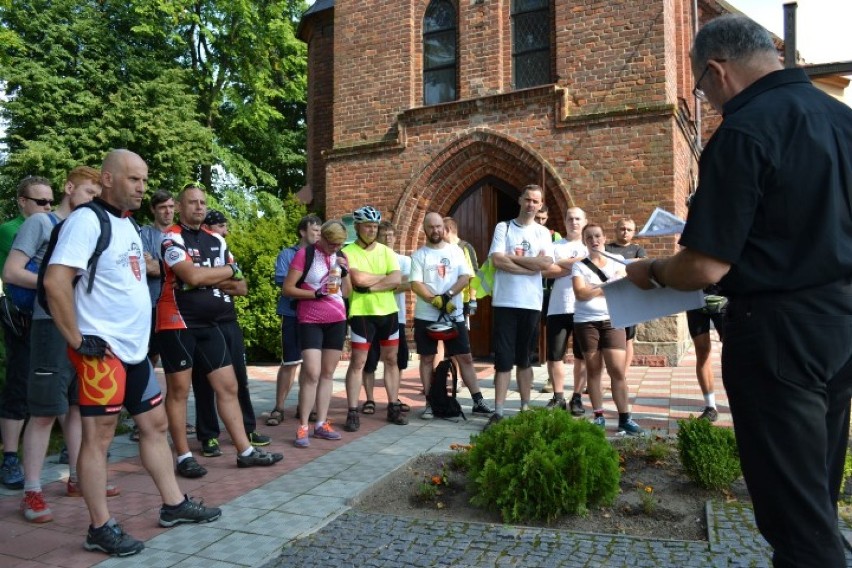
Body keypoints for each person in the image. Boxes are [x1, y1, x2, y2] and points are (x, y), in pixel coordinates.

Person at [625, 14, 852, 566]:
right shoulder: (842, 119)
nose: (704, 99)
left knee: (793, 512)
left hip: (779, 333)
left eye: (700, 87)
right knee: (817, 485)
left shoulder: (746, 131)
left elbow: (704, 267)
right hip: (842, 323)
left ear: (717, 70)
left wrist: (652, 271)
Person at [44, 149, 221, 557]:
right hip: (99, 353)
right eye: (133, 179)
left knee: (155, 426)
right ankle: (99, 526)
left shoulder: (128, 226)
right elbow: (56, 282)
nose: (141, 186)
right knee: (98, 437)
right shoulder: (86, 221)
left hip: (134, 351)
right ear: (108, 179)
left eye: (144, 179)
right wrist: (76, 339)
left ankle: (174, 505)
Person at [3, 167, 109, 523]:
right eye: (89, 194)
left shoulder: (91, 227)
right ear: (69, 189)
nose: (95, 202)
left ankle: (78, 478)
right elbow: (12, 272)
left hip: (86, 326)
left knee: (80, 407)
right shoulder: (42, 223)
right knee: (46, 410)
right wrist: (55, 283)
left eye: (98, 196)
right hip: (50, 324)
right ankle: (32, 490)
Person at [156, 185, 282, 478]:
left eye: (203, 202)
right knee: (178, 392)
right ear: (180, 206)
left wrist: (204, 279)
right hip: (177, 323)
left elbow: (242, 286)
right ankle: (183, 455)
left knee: (229, 387)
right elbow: (192, 275)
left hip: (210, 325)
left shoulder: (216, 240)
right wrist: (221, 273)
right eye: (192, 202)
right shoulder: (170, 238)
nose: (199, 207)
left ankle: (245, 451)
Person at [190, 209, 270, 458]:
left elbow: (242, 287)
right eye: (221, 226)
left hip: (228, 321)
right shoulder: (194, 250)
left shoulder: (226, 251)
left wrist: (209, 280)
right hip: (202, 323)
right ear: (208, 227)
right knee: (203, 380)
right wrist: (220, 278)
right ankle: (208, 436)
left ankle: (247, 429)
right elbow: (192, 279)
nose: (226, 231)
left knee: (239, 376)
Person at [410, 213, 493, 419]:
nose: (435, 230)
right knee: (427, 358)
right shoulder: (419, 255)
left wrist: (448, 296)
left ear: (443, 228)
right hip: (426, 315)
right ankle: (430, 403)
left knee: (464, 357)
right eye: (431, 227)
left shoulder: (455, 251)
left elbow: (465, 277)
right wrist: (434, 300)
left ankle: (478, 401)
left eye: (439, 226)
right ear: (425, 229)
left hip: (454, 314)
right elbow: (416, 284)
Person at [0, 175, 53, 490]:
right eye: (40, 202)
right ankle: (9, 457)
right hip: (22, 317)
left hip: (48, 317)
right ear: (22, 202)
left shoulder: (50, 225)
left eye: (50, 200)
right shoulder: (11, 229)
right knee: (19, 385)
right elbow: (27, 268)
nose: (47, 207)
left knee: (49, 387)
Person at [486, 185, 553, 428]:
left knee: (525, 359)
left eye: (536, 201)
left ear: (540, 204)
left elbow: (545, 264)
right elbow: (497, 260)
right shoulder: (503, 227)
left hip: (531, 303)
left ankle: (525, 408)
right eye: (527, 200)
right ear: (520, 200)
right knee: (503, 359)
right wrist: (530, 265)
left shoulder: (542, 233)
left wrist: (512, 259)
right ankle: (499, 411)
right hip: (505, 301)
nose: (531, 205)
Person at [282, 220, 350, 447]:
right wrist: (315, 294)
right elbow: (288, 288)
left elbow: (347, 292)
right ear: (322, 238)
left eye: (339, 244)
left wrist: (346, 272)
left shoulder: (340, 256)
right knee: (312, 372)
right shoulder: (305, 254)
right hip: (310, 318)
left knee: (328, 373)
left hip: (337, 319)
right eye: (332, 244)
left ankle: (321, 423)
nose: (335, 248)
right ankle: (303, 426)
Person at [572, 224, 642, 436]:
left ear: (604, 238)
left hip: (613, 320)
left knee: (617, 371)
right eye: (590, 237)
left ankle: (625, 418)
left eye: (598, 236)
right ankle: (599, 416)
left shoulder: (615, 262)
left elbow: (621, 288)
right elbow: (580, 294)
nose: (594, 240)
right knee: (594, 370)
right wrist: (606, 287)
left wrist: (593, 287)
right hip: (586, 322)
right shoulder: (579, 266)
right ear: (584, 241)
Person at [341, 205, 404, 431]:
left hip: (388, 312)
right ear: (357, 227)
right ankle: (352, 411)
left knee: (391, 360)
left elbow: (396, 279)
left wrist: (371, 286)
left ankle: (393, 405)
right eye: (368, 226)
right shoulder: (348, 252)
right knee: (358, 362)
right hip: (362, 313)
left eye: (375, 226)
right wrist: (382, 279)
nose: (372, 230)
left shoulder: (387, 252)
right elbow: (357, 278)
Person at [269, 215, 322, 426]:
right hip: (292, 314)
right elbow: (284, 283)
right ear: (302, 232)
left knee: (311, 365)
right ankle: (279, 408)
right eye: (314, 230)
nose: (318, 234)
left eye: (320, 231)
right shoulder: (287, 254)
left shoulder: (322, 255)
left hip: (315, 315)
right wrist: (311, 285)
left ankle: (305, 406)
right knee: (290, 362)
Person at [540, 207, 588, 415]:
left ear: (584, 221)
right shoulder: (554, 245)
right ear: (565, 221)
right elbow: (546, 270)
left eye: (578, 218)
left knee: (582, 356)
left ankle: (576, 398)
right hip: (558, 307)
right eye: (570, 218)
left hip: (583, 308)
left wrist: (562, 264)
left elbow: (593, 268)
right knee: (555, 355)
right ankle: (558, 397)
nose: (574, 222)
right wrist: (578, 265)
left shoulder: (590, 246)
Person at [361, 221, 410, 415]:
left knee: (396, 360)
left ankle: (394, 397)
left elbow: (408, 284)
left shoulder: (404, 260)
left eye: (391, 235)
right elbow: (360, 282)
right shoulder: (369, 257)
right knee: (369, 360)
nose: (388, 238)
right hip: (370, 313)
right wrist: (389, 281)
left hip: (397, 315)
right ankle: (370, 399)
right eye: (384, 235)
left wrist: (377, 282)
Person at [604, 218, 646, 379]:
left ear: (633, 232)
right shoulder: (607, 248)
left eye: (629, 229)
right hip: (608, 299)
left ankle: (623, 375)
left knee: (628, 338)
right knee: (607, 338)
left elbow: (643, 263)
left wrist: (622, 264)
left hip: (629, 299)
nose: (625, 232)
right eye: (622, 229)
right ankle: (604, 374)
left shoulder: (637, 249)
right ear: (615, 230)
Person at [685, 290, 726, 422]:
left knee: (734, 352)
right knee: (702, 352)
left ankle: (744, 403)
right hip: (694, 301)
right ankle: (710, 407)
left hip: (723, 299)